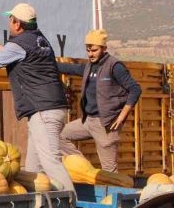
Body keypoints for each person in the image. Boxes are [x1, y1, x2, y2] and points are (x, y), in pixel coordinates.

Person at [0, 3, 75, 191]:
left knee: (52, 162)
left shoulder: (19, 44)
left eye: (10, 20)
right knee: (33, 170)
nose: (9, 23)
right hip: (51, 109)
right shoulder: (40, 41)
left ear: (17, 24)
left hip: (43, 111)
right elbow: (20, 56)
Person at [57, 29, 141, 172]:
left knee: (109, 171)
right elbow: (68, 68)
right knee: (59, 136)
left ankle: (112, 192)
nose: (90, 54)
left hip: (106, 124)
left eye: (94, 50)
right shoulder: (89, 66)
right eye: (88, 51)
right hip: (87, 121)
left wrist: (122, 116)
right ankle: (85, 169)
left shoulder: (114, 66)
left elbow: (135, 89)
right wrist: (44, 62)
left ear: (104, 48)